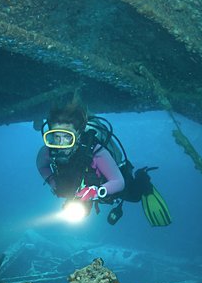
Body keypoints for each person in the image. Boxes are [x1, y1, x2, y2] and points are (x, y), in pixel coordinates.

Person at [36, 93, 171, 226]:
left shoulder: (96, 152)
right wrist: (53, 182)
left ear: (78, 134)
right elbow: (42, 166)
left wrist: (95, 192)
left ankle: (142, 177)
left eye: (67, 137)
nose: (61, 144)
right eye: (56, 136)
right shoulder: (48, 151)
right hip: (81, 184)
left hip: (104, 180)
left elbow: (118, 182)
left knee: (134, 196)